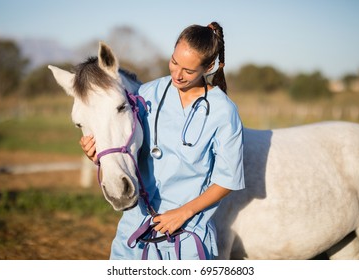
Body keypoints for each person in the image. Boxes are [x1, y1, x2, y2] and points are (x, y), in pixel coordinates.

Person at [80, 22, 245, 260]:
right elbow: (124, 144)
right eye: (174, 62)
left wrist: (182, 213)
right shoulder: (146, 94)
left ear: (208, 67)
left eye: (188, 71)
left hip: (187, 234)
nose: (177, 75)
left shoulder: (223, 111)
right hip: (136, 230)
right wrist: (96, 153)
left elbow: (227, 179)